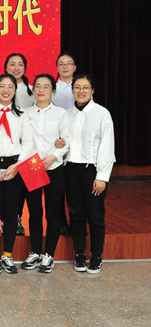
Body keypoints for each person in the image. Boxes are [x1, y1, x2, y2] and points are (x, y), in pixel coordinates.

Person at [0, 74, 33, 275]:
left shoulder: (22, 114)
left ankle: (8, 255)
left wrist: (18, 165)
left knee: (12, 214)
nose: (6, 90)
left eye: (10, 86)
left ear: (15, 90)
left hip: (15, 165)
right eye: (2, 86)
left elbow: (27, 141)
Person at [65, 74, 115, 274]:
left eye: (86, 87)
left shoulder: (102, 114)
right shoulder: (66, 114)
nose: (81, 91)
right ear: (72, 90)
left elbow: (107, 146)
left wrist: (102, 176)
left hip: (92, 170)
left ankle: (96, 255)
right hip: (70, 169)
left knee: (95, 215)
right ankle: (79, 253)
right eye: (77, 87)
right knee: (76, 214)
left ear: (92, 90)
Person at [21, 74, 70, 273]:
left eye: (46, 86)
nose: (41, 90)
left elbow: (66, 139)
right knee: (34, 213)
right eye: (38, 86)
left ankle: (49, 255)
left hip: (54, 166)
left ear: (53, 91)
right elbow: (22, 139)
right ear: (33, 89)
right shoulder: (25, 113)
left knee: (52, 213)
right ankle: (35, 252)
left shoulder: (60, 114)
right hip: (31, 166)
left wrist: (54, 156)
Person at [4, 53, 35, 235]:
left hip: (29, 148)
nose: (16, 68)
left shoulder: (32, 90)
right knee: (8, 187)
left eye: (20, 64)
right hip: (7, 148)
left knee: (24, 187)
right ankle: (6, 219)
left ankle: (18, 219)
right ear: (5, 67)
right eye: (12, 64)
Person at [51, 52, 78, 236]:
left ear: (75, 67)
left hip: (78, 144)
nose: (65, 66)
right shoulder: (52, 89)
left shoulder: (81, 86)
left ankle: (77, 223)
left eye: (69, 63)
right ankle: (61, 222)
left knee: (75, 189)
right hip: (58, 143)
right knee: (58, 188)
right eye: (61, 63)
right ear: (57, 67)